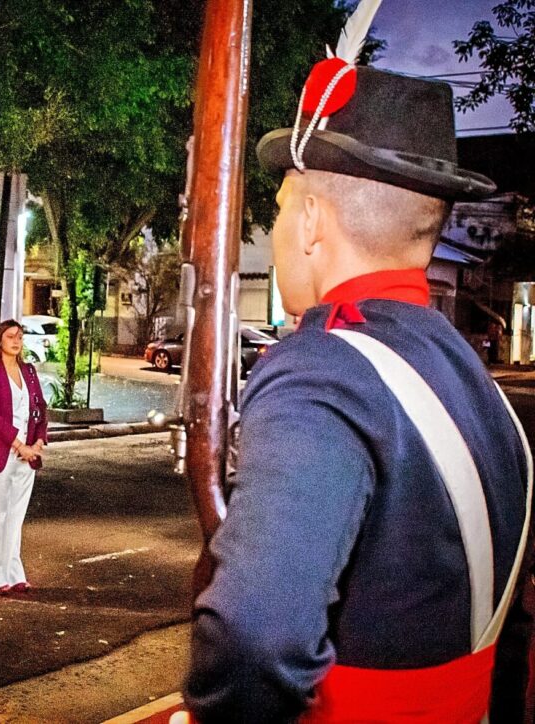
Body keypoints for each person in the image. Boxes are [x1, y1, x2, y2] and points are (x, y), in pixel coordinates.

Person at [183, 25, 532, 724]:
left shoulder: (322, 369)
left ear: (312, 222)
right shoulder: (468, 371)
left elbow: (257, 637)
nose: (277, 232)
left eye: (279, 209)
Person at [0, 319, 47, 595]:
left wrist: (38, 440)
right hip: (2, 452)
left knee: (16, 516)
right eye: (10, 336)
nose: (16, 341)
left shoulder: (28, 370)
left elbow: (40, 406)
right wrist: (19, 445)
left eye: (20, 336)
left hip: (27, 454)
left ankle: (13, 572)